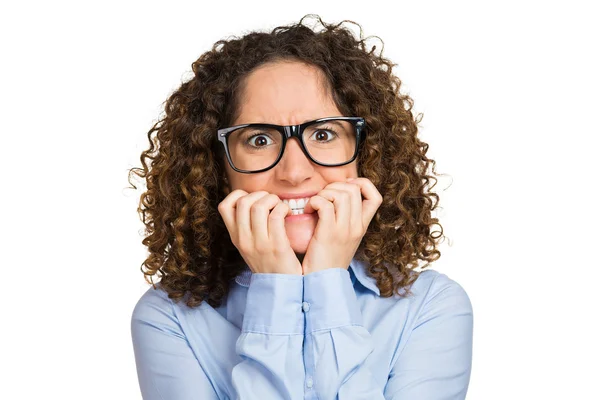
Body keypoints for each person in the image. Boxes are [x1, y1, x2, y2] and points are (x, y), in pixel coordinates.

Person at [128, 14, 473, 400]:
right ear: (219, 168)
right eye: (259, 140)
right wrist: (278, 287)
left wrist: (327, 280)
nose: (294, 173)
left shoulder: (431, 307)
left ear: (367, 155)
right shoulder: (169, 318)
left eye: (323, 134)